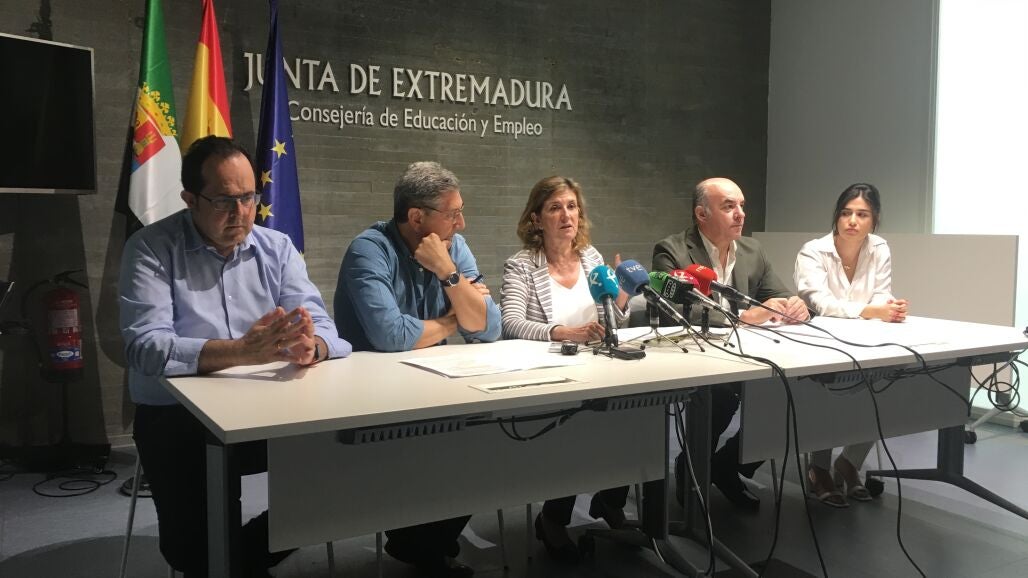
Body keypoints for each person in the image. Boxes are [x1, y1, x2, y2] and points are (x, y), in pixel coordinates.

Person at [119, 136, 352, 576]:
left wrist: (312, 347)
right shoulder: (151, 248)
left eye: (248, 198)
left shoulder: (276, 247)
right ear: (190, 199)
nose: (241, 213)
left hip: (266, 408)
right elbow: (145, 348)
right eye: (225, 201)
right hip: (178, 416)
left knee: (338, 476)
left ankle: (237, 560)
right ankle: (222, 560)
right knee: (195, 549)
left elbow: (326, 328)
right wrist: (242, 352)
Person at [334, 161, 500, 578]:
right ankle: (421, 546)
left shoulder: (453, 248)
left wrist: (447, 272)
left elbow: (488, 327)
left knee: (491, 448)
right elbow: (389, 335)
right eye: (453, 213)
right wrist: (453, 319)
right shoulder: (369, 249)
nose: (461, 223)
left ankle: (422, 546)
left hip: (434, 388)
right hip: (370, 399)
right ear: (416, 217)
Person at [652, 177, 809, 510]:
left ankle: (726, 465)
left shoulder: (752, 250)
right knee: (722, 395)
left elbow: (778, 294)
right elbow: (671, 309)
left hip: (745, 351)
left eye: (741, 205)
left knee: (787, 392)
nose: (740, 214)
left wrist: (794, 305)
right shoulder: (672, 250)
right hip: (692, 353)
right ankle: (691, 465)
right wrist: (741, 317)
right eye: (728, 206)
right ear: (701, 214)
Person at [500, 176, 629, 563]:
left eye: (572, 206)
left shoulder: (591, 258)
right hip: (551, 372)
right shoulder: (522, 265)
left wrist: (622, 299)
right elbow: (512, 323)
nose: (566, 215)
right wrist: (563, 332)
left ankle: (611, 500)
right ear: (536, 218)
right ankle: (553, 519)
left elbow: (613, 317)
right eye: (555, 207)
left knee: (635, 417)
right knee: (577, 432)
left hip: (600, 366)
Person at [794, 182, 907, 507]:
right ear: (837, 216)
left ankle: (849, 463)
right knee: (826, 402)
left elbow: (881, 291)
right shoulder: (813, 250)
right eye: (846, 213)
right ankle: (819, 468)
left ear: (874, 219)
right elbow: (818, 301)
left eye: (862, 214)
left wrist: (890, 307)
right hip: (820, 342)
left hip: (866, 339)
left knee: (880, 390)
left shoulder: (879, 248)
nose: (852, 221)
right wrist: (871, 310)